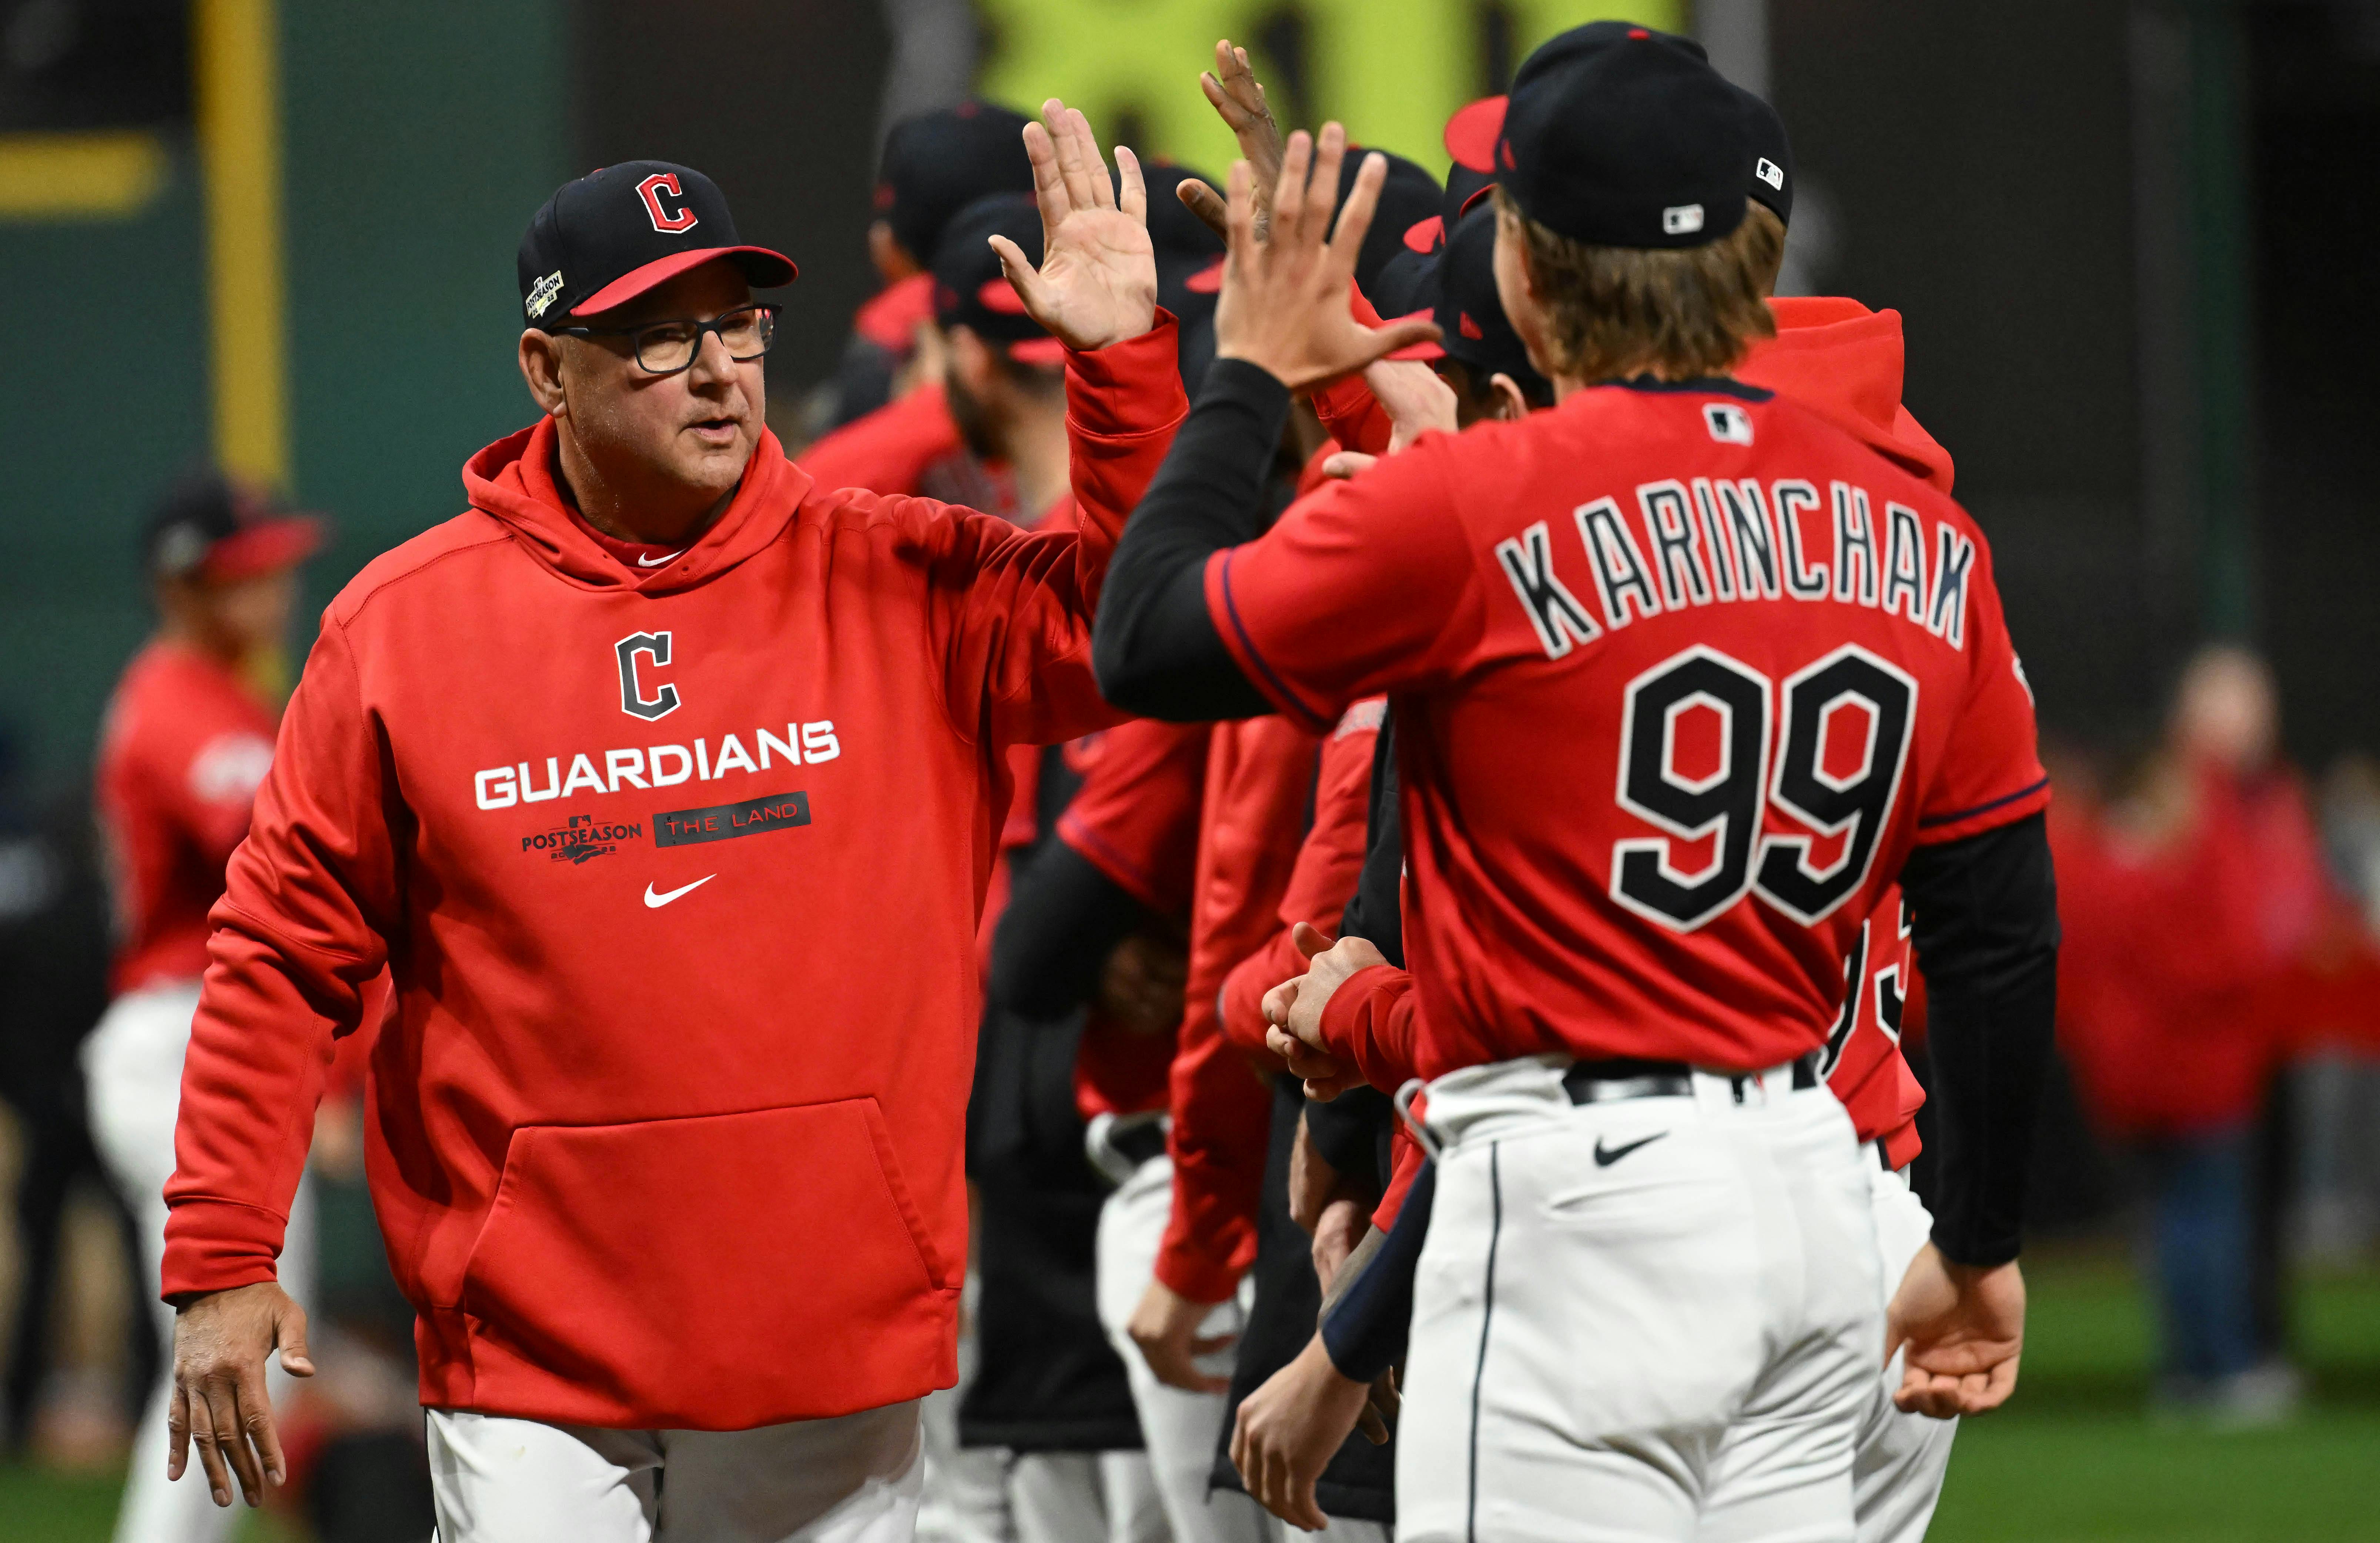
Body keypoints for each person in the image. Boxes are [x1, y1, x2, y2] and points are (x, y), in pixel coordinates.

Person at [156, 111, 1187, 1542]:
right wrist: (222, 1253)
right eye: (655, 333)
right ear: (547, 371)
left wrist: (1123, 367)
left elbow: (1139, 631)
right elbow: (280, 951)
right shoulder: (402, 628)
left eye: (738, 322)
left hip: (827, 1335)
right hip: (532, 1351)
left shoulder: (899, 577)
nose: (715, 371)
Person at [1093, 27, 2057, 1540]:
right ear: (1757, 261)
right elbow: (2000, 927)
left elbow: (1145, 639)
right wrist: (1985, 1235)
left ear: (1525, 276)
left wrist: (1251, 372)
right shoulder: (1919, 528)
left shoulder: (1471, 505)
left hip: (1576, 1198)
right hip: (1825, 1181)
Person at [84, 472, 325, 1543]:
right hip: (179, 1039)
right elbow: (265, 840)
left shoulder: (227, 692)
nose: (275, 588)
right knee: (231, 1364)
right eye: (245, 572)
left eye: (276, 564)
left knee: (257, 1372)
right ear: (184, 587)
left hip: (201, 1040)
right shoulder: (176, 696)